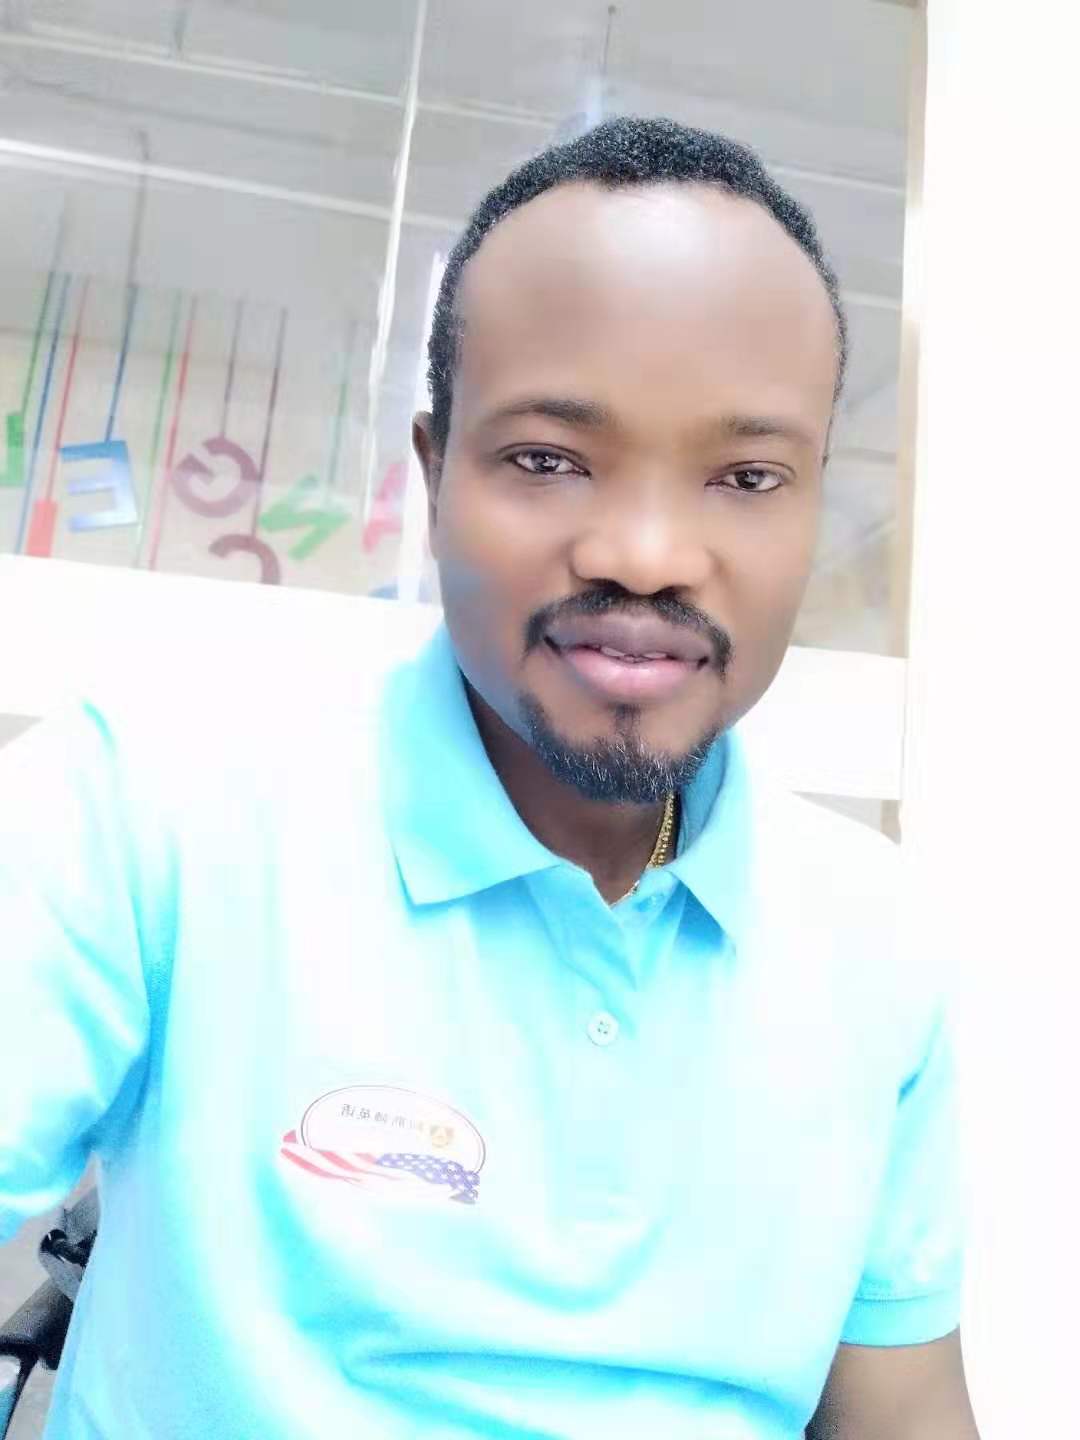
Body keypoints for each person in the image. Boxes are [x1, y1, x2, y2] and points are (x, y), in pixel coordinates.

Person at [0, 116, 979, 1439]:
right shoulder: (145, 809)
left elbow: (904, 1416)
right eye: (549, 461)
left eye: (747, 476)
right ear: (432, 475)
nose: (645, 552)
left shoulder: (878, 939)